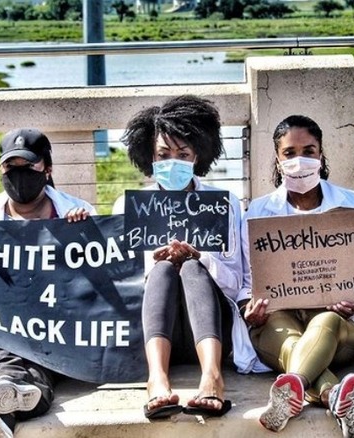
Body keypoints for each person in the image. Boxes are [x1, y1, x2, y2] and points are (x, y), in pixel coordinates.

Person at [0, 128, 94, 438]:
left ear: (47, 169)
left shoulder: (77, 213)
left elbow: (100, 284)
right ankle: (21, 394)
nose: (19, 175)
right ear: (0, 170)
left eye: (28, 167)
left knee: (20, 346)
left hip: (51, 320)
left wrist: (86, 236)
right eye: (10, 167)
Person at [112, 95, 254, 420]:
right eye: (164, 154)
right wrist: (152, 265)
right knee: (162, 269)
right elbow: (120, 287)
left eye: (183, 154)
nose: (172, 162)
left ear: (198, 156)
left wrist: (202, 259)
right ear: (149, 156)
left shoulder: (225, 204)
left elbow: (237, 285)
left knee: (191, 266)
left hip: (211, 329)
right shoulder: (129, 207)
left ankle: (212, 378)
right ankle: (157, 380)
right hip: (159, 335)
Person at [240, 115, 354, 437]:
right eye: (289, 153)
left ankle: (293, 386)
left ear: (322, 154)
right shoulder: (257, 211)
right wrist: (250, 309)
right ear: (277, 158)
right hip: (275, 323)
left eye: (309, 151)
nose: (300, 160)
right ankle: (335, 395)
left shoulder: (352, 205)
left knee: (324, 322)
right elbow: (246, 278)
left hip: (337, 328)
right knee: (290, 339)